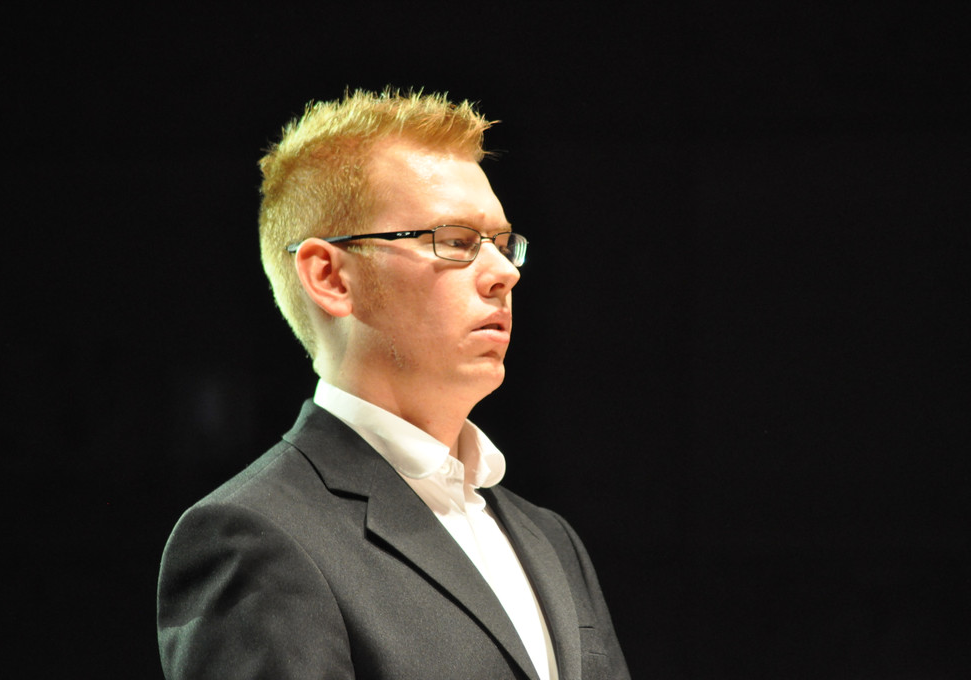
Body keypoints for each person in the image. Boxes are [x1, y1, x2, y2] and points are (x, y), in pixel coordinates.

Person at [156, 88, 630, 680]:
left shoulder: (550, 541)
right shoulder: (256, 536)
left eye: (504, 243)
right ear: (331, 278)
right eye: (455, 241)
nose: (504, 272)